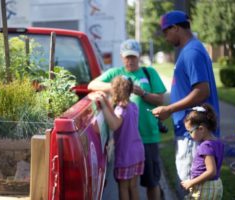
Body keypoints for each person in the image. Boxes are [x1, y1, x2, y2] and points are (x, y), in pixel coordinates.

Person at [88, 39, 166, 200]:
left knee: (152, 182)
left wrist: (143, 93)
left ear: (138, 57)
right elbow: (92, 85)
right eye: (127, 57)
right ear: (122, 57)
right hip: (130, 144)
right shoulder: (116, 73)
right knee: (133, 185)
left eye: (133, 57)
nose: (130, 60)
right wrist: (116, 87)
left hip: (148, 136)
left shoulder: (148, 72)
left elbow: (160, 100)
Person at [152, 10, 220, 187]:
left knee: (192, 188)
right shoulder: (191, 49)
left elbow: (202, 91)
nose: (166, 38)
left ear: (175, 28)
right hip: (191, 132)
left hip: (194, 134)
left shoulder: (191, 52)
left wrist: (169, 109)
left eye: (166, 32)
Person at [89, 76, 145, 200]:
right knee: (133, 186)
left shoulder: (121, 109)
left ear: (114, 91)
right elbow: (116, 115)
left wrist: (103, 105)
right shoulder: (133, 106)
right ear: (130, 90)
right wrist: (106, 102)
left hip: (126, 155)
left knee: (124, 187)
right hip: (137, 152)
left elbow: (114, 124)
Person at [182, 103, 224, 200]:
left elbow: (211, 171)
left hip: (205, 187)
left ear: (201, 129)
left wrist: (191, 182)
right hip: (215, 184)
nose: (188, 134)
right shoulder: (217, 142)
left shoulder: (205, 146)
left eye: (190, 131)